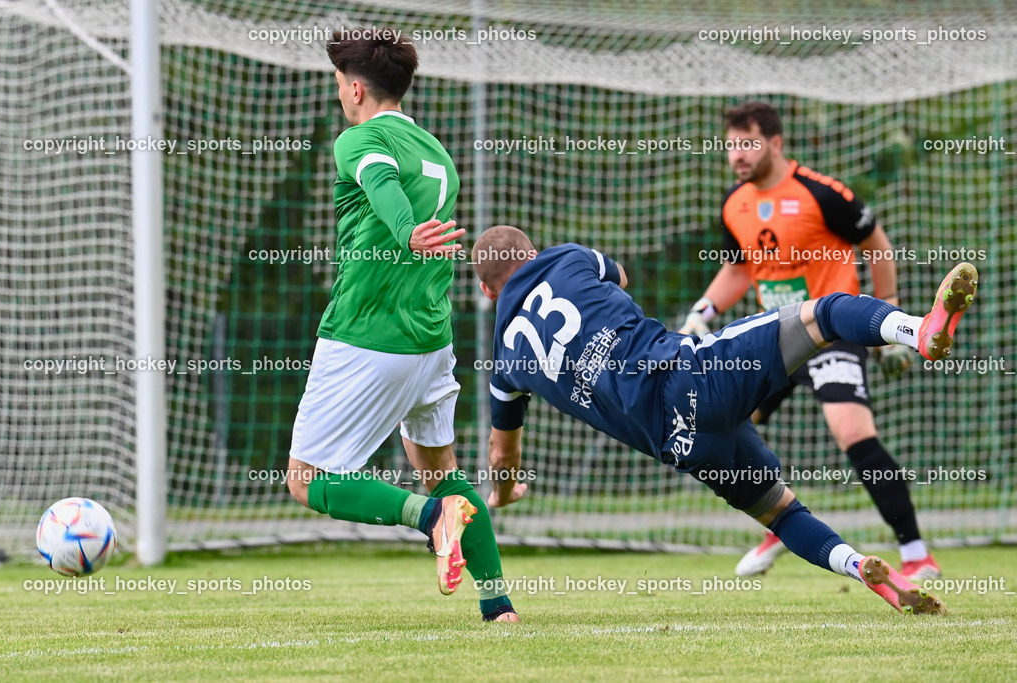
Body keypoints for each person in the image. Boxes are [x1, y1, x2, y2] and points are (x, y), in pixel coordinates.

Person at [472, 224, 978, 614]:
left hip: (681, 442)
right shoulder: (563, 257)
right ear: (532, 253)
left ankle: (859, 568)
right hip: (692, 376)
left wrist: (505, 488)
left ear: (490, 293)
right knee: (825, 312)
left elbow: (502, 450)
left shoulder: (505, 364)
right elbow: (619, 275)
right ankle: (919, 330)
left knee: (781, 514)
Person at [284, 30, 518, 623]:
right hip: (431, 343)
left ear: (356, 88)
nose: (339, 93)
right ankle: (499, 607)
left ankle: (425, 519)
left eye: (339, 84)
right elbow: (392, 183)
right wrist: (411, 232)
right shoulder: (435, 149)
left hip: (368, 335)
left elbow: (380, 181)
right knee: (443, 472)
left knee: (308, 481)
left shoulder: (359, 138)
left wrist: (405, 230)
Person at [679, 102, 939, 581]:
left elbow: (876, 244)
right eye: (730, 145)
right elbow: (740, 267)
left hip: (830, 332)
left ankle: (917, 553)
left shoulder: (822, 193)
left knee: (852, 433)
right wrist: (702, 313)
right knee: (720, 426)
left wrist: (890, 320)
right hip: (773, 336)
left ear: (775, 144)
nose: (736, 154)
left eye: (747, 143)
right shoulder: (733, 202)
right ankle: (780, 521)